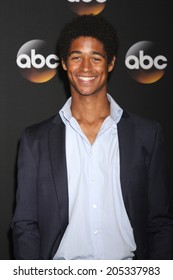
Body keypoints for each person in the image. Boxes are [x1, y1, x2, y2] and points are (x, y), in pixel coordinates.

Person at [11, 14, 173, 260]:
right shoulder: (35, 140)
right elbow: (25, 225)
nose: (86, 68)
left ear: (110, 63)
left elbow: (159, 222)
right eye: (77, 57)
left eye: (96, 58)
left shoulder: (147, 134)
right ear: (65, 63)